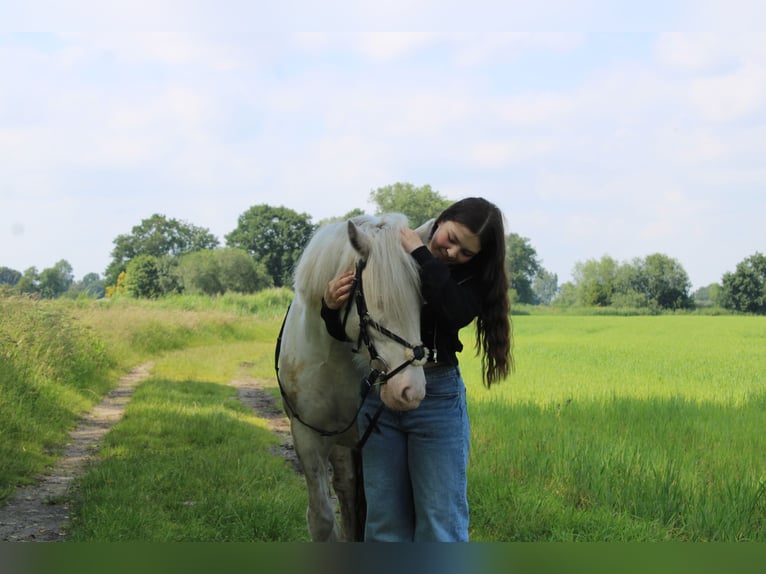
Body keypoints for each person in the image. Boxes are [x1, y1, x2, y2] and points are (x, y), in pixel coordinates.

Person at [321, 197, 513, 542]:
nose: (453, 253)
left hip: (437, 400)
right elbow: (354, 331)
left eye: (466, 252)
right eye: (451, 239)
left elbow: (452, 311)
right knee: (384, 526)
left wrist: (420, 253)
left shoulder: (468, 279)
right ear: (440, 221)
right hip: (380, 398)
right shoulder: (384, 255)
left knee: (440, 524)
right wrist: (329, 306)